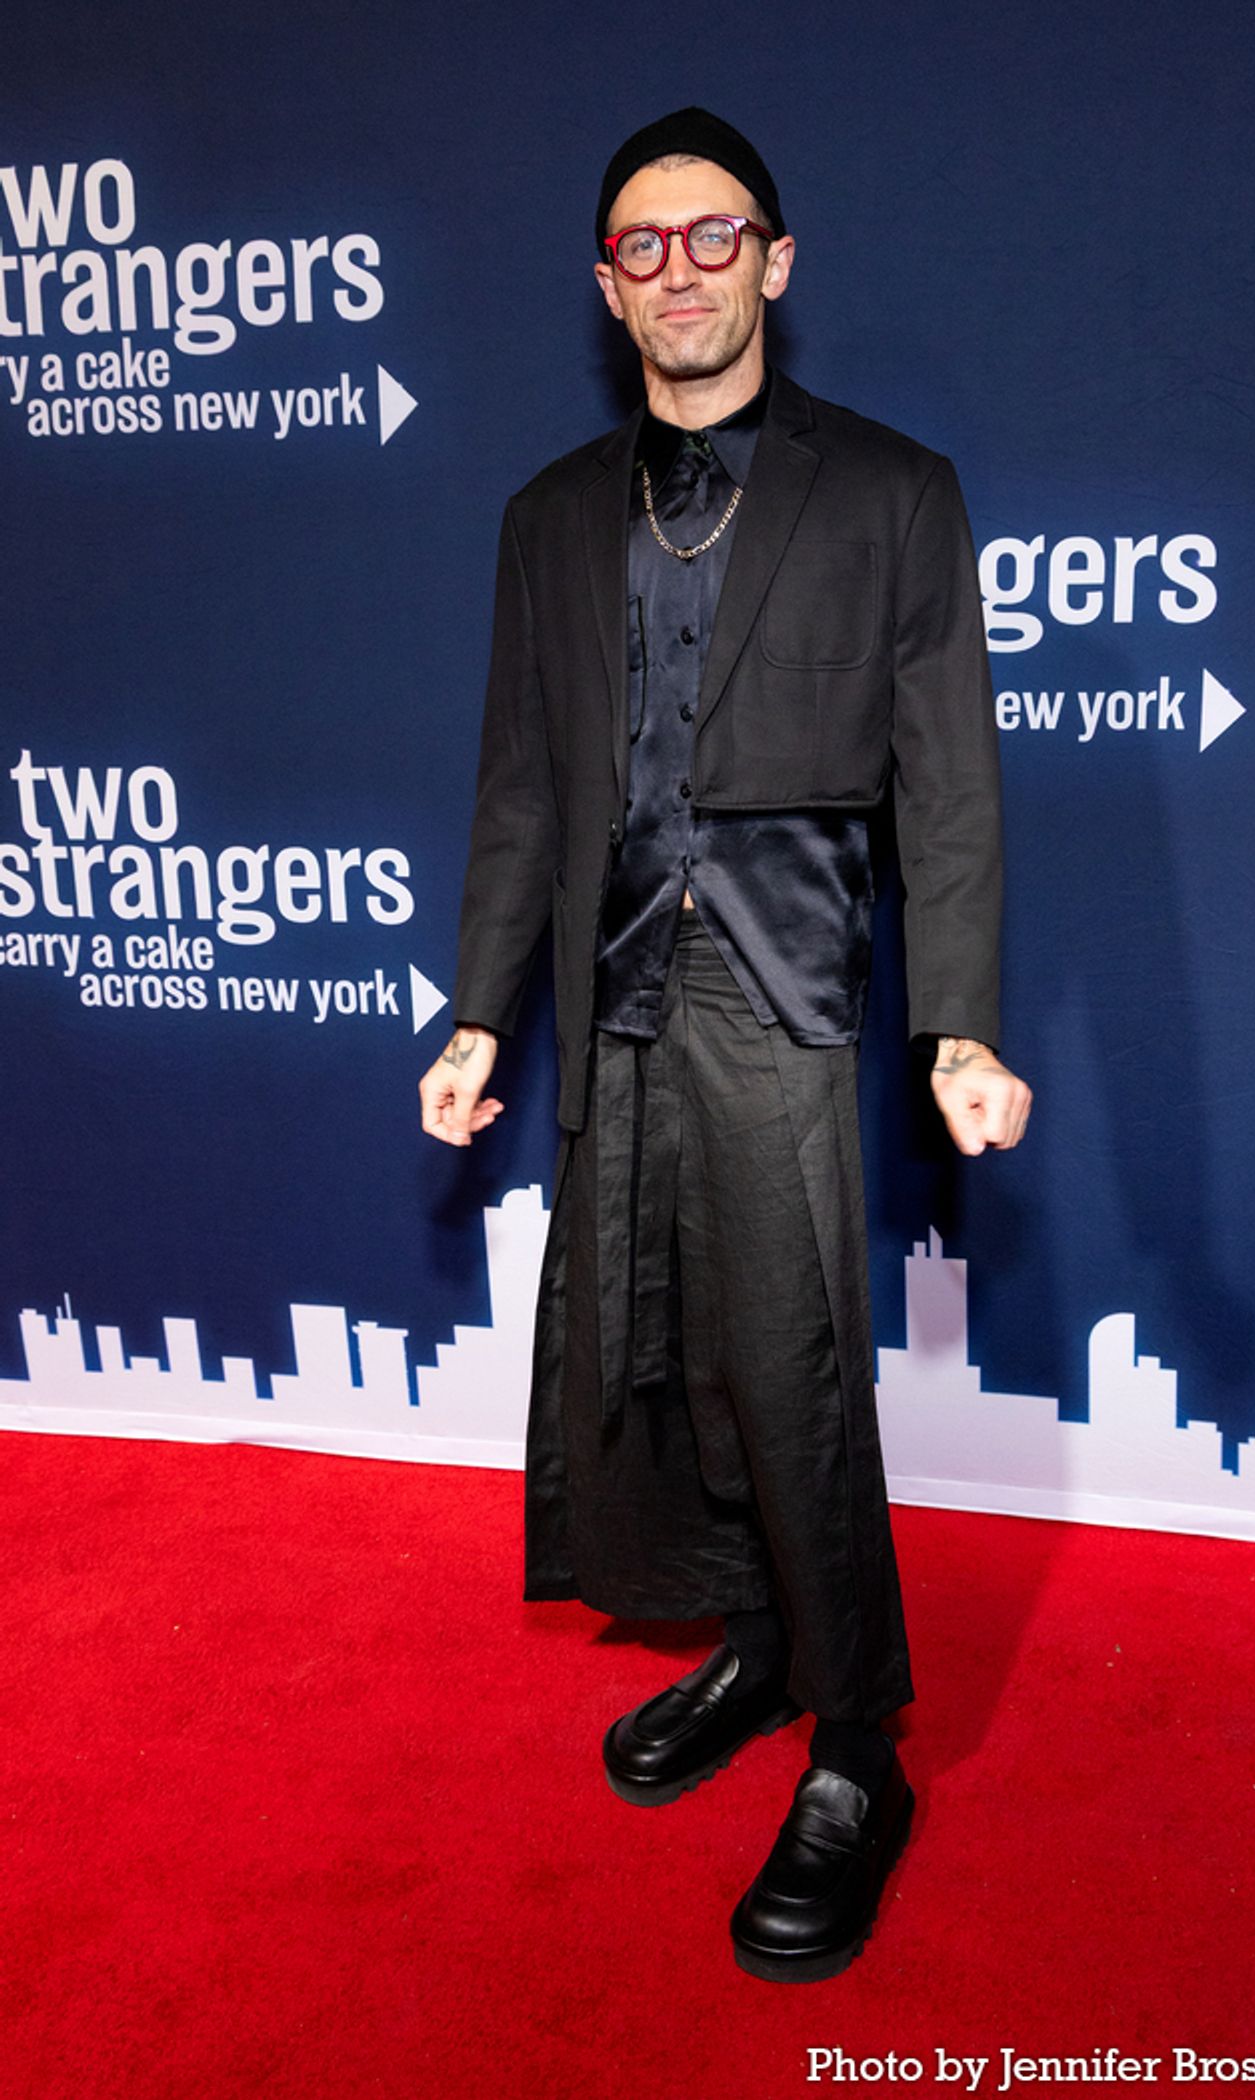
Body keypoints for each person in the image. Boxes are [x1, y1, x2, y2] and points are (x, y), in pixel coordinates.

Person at [419, 107, 1031, 1983]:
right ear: (609, 288)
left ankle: (859, 1744)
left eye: (710, 235)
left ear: (776, 257)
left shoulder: (893, 492)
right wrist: (473, 1005)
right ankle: (758, 1638)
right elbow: (522, 788)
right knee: (650, 1335)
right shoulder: (541, 518)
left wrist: (961, 1025)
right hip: (605, 981)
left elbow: (951, 782)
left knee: (791, 1359)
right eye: (639, 246)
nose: (676, 268)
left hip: (784, 982)